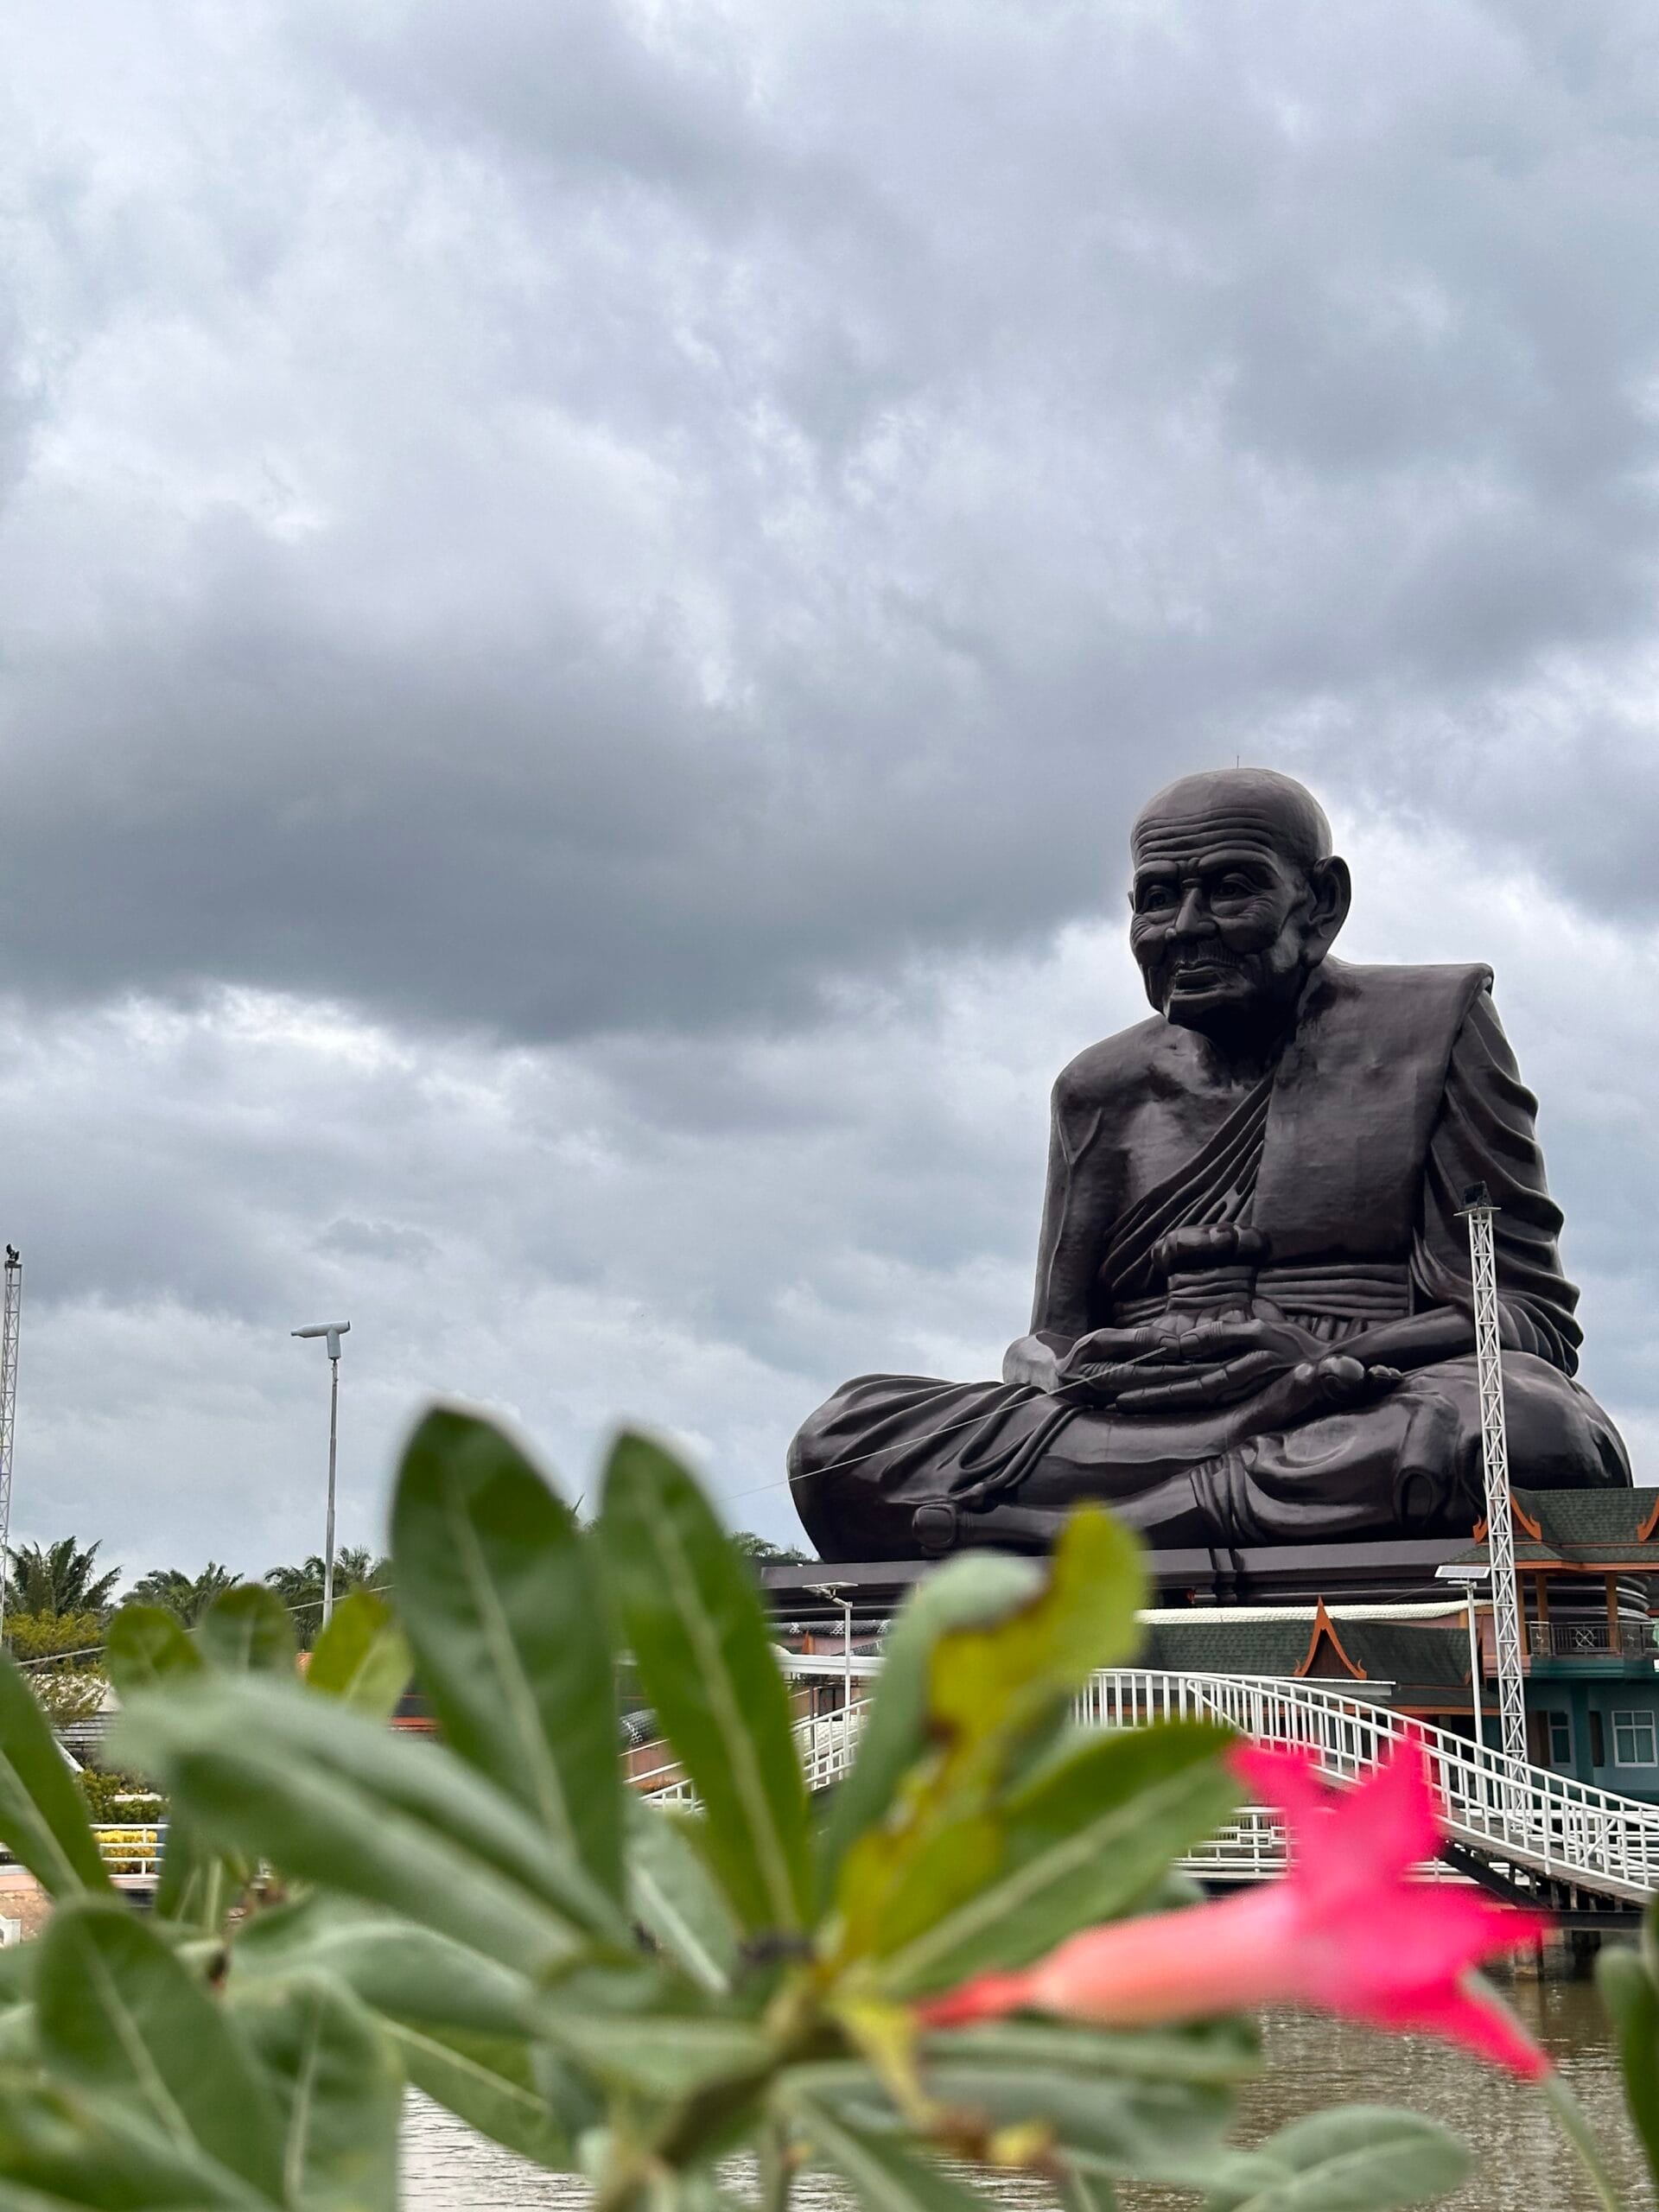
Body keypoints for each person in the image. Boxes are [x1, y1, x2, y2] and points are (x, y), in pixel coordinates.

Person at [789, 768, 1629, 1559]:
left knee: (1525, 1424)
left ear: (1323, 901)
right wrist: (1079, 1369)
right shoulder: (1100, 1088)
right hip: (1147, 1415)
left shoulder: (1432, 1024)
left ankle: (1083, 1535)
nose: (1185, 927)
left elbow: (1522, 1314)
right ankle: (1191, 1511)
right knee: (842, 1438)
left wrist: (1308, 1361)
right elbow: (1049, 1336)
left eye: (1230, 887)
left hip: (1354, 1389)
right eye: (1158, 899)